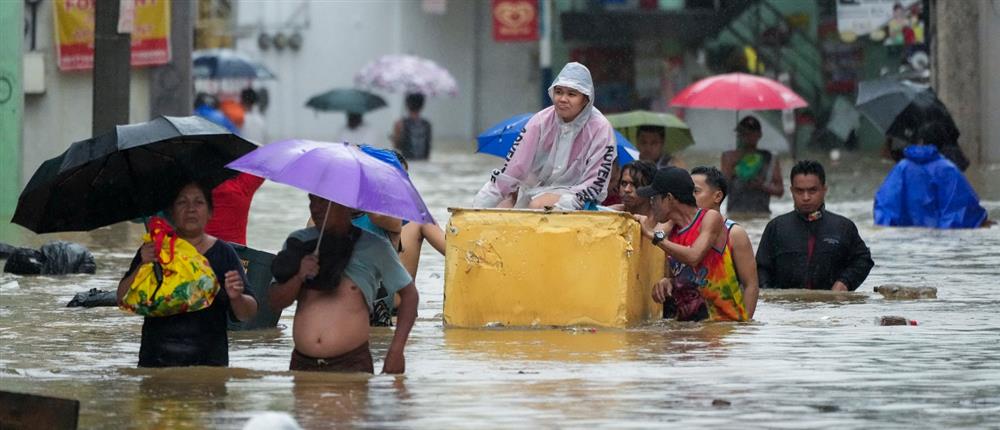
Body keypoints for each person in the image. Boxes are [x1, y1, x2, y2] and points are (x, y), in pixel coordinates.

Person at [269, 195, 418, 374]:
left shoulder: (374, 246)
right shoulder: (298, 242)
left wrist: (396, 351)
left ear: (345, 206)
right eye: (312, 201)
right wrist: (299, 276)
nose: (315, 208)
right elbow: (274, 302)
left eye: (324, 202)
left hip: (351, 364)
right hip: (302, 364)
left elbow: (410, 296)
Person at [116, 181, 259, 367]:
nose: (191, 209)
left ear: (210, 213)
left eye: (199, 202)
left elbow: (247, 314)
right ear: (171, 213)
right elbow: (121, 299)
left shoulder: (224, 253)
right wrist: (142, 264)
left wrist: (237, 297)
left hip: (208, 365)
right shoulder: (155, 249)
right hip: (156, 362)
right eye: (182, 202)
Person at [473, 62, 616, 210]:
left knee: (538, 205)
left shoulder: (601, 128)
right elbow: (513, 169)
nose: (563, 99)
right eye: (559, 92)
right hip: (536, 192)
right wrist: (477, 209)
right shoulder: (540, 121)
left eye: (571, 94)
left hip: (579, 197)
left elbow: (595, 183)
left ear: (586, 99)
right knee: (501, 206)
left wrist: (564, 201)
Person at [634, 167, 748, 322]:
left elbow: (694, 256)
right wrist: (670, 282)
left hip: (723, 328)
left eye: (654, 198)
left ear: (668, 198)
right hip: (690, 329)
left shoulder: (710, 218)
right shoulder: (671, 230)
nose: (651, 204)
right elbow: (691, 275)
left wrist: (653, 235)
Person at [756, 160, 874, 291]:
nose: (806, 197)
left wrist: (844, 282)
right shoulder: (776, 227)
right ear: (791, 191)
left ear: (824, 190)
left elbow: (863, 260)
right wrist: (771, 297)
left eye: (812, 191)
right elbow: (761, 269)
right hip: (787, 307)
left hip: (830, 308)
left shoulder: (843, 227)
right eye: (799, 191)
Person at [874, 123, 989, 228]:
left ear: (920, 141)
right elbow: (961, 213)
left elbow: (885, 208)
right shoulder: (948, 169)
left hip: (905, 243)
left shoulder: (901, 167)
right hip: (937, 243)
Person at [690, 166, 758, 319]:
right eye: (687, 191)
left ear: (717, 196)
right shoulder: (680, 232)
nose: (689, 196)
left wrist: (743, 325)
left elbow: (751, 285)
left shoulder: (735, 234)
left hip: (725, 325)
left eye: (695, 191)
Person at [720, 116, 783, 216]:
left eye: (749, 133)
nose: (745, 137)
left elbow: (780, 191)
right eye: (742, 133)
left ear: (759, 135)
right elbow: (722, 190)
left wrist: (762, 186)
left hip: (761, 215)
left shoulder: (769, 158)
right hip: (735, 214)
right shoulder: (729, 157)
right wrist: (732, 169)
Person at [204, 173, 265, 246]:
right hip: (235, 251)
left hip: (193, 248)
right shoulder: (242, 185)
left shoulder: (194, 181)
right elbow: (265, 165)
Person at [392, 93, 432, 160]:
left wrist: (394, 138)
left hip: (409, 163)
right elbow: (428, 147)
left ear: (407, 105)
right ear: (422, 105)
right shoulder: (427, 124)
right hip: (424, 163)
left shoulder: (400, 124)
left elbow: (397, 146)